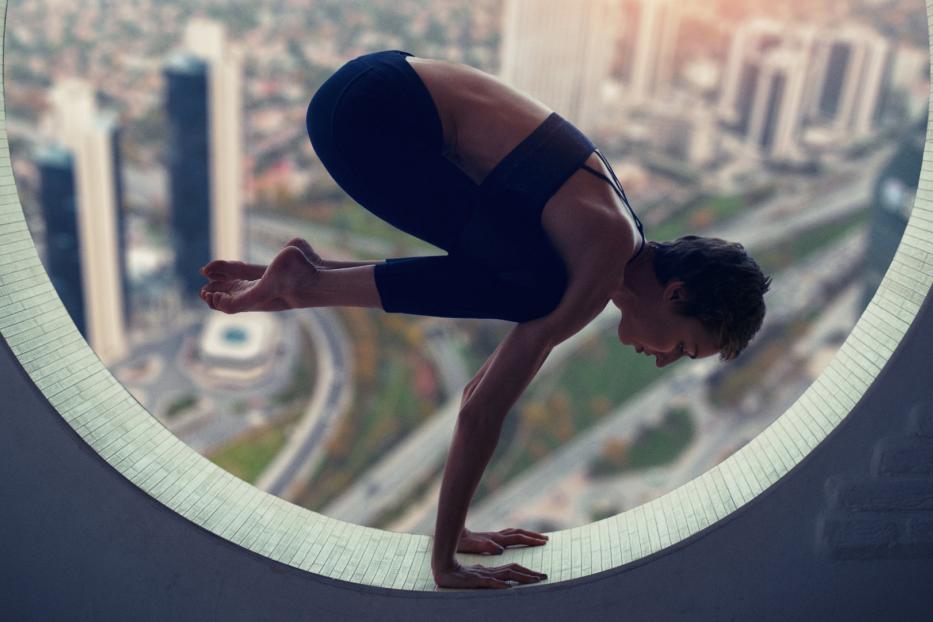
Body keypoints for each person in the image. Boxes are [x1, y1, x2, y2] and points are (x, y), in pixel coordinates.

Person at [199, 50, 772, 590]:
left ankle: (307, 278)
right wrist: (445, 556)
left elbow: (480, 381)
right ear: (675, 294)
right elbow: (482, 409)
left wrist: (462, 530)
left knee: (530, 282)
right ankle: (307, 283)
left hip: (368, 94)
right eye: (683, 347)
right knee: (536, 293)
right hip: (370, 117)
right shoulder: (603, 253)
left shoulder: (608, 233)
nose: (665, 359)